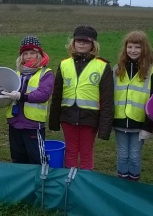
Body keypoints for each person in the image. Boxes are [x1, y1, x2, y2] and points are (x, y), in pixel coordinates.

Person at [48, 25, 114, 170]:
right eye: (78, 40)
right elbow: (57, 95)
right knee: (70, 151)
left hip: (90, 118)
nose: (82, 43)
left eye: (86, 41)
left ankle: (84, 185)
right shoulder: (64, 64)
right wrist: (53, 121)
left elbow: (107, 100)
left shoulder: (102, 66)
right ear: (73, 43)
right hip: (68, 116)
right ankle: (69, 184)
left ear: (93, 45)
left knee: (86, 153)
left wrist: (104, 128)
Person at [113, 30, 153, 181]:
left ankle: (133, 185)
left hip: (140, 124)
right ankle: (122, 185)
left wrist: (148, 126)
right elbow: (109, 96)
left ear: (144, 49)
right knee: (122, 155)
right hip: (120, 121)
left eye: (137, 47)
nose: (133, 50)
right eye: (130, 47)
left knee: (134, 156)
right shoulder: (117, 69)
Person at [0, 36, 54, 165]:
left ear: (39, 54)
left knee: (37, 158)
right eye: (25, 54)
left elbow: (43, 94)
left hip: (33, 125)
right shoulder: (16, 73)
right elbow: (7, 90)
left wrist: (21, 96)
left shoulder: (46, 73)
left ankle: (40, 183)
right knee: (17, 157)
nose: (29, 56)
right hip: (15, 122)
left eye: (32, 53)